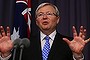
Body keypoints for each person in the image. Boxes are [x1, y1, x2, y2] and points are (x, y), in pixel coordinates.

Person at [0, 2, 90, 60]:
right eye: (40, 14)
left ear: (57, 19)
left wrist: (78, 56)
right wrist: (5, 55)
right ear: (36, 21)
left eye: (49, 14)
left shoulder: (70, 43)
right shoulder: (24, 44)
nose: (44, 17)